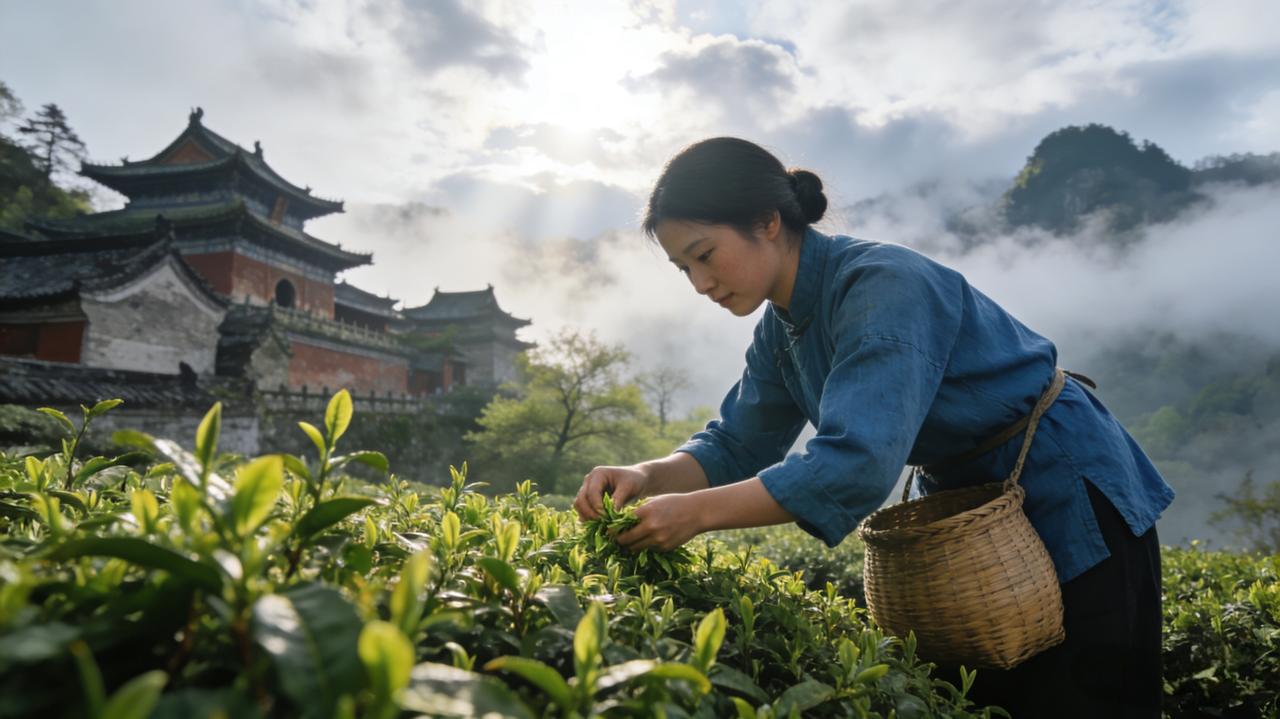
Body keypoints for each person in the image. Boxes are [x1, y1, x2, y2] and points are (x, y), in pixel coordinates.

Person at [572, 137, 1175, 717]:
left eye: (705, 255)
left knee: (1089, 694)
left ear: (768, 221)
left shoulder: (883, 283)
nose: (700, 283)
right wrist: (648, 475)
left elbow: (855, 462)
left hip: (1065, 489)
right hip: (971, 511)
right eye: (684, 268)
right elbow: (735, 442)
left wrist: (695, 513)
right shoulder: (781, 330)